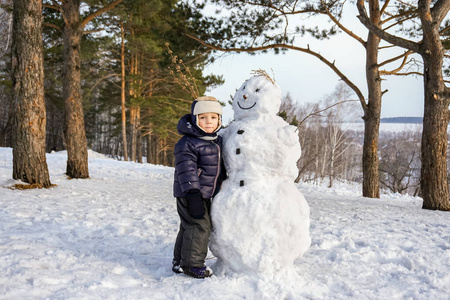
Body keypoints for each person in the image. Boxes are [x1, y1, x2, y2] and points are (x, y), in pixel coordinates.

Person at [172, 96, 226, 279]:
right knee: (200, 226)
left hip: (202, 193)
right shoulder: (188, 143)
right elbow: (186, 170)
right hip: (190, 193)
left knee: (189, 226)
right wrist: (193, 193)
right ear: (195, 120)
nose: (208, 122)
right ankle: (192, 264)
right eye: (203, 118)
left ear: (219, 120)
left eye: (213, 117)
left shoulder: (215, 141)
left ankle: (179, 260)